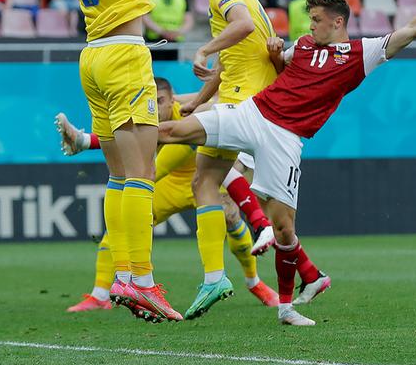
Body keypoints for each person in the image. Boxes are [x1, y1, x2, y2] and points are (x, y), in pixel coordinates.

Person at [158, 0, 416, 325]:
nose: (310, 25)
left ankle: (287, 307)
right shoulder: (301, 45)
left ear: (338, 21)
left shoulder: (360, 53)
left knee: (283, 228)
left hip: (285, 138)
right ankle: (96, 139)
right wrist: (273, 55)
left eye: (316, 20)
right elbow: (280, 70)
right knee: (173, 132)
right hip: (254, 113)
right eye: (310, 19)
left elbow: (412, 29)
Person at [56, 0, 186, 323]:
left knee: (116, 175)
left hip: (91, 55)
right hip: (126, 54)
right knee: (142, 173)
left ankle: (120, 278)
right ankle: (142, 281)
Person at [55, 78, 279, 312]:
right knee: (122, 225)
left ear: (171, 99)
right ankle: (100, 295)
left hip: (200, 179)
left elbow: (150, 165)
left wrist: (87, 140)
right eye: (153, 101)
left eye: (161, 100)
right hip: (170, 187)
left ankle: (254, 282)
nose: (157, 106)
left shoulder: (188, 113)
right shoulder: (151, 113)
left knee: (232, 220)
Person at [181, 0, 282, 319]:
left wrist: (203, 49)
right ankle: (216, 276)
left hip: (243, 104)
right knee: (203, 183)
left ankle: (90, 140)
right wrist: (196, 100)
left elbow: (243, 26)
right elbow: (232, 61)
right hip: (251, 100)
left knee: (165, 133)